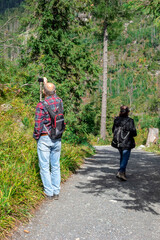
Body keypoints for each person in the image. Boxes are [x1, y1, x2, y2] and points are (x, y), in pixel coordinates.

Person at [33, 78, 63, 200]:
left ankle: (49, 192)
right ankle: (56, 191)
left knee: (45, 166)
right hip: (57, 137)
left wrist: (36, 137)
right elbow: (52, 94)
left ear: (43, 92)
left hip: (45, 138)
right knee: (55, 165)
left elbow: (38, 124)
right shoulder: (60, 101)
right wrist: (46, 84)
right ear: (55, 91)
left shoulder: (41, 105)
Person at [111, 105, 137, 181]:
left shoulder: (116, 120)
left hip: (118, 142)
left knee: (122, 157)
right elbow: (134, 133)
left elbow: (113, 130)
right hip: (127, 142)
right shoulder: (130, 121)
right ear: (128, 112)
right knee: (125, 157)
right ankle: (121, 172)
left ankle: (123, 173)